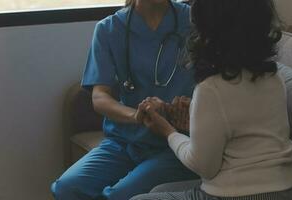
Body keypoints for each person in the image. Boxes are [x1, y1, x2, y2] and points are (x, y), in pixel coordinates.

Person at [130, 0, 292, 199]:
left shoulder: (212, 89)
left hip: (240, 193)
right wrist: (196, 115)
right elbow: (242, 127)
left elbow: (203, 167)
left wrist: (168, 131)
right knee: (157, 191)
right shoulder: (273, 77)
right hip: (288, 189)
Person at [51, 0, 199, 200]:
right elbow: (99, 97)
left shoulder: (195, 21)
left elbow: (219, 83)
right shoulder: (109, 29)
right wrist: (137, 116)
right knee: (67, 188)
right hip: (124, 141)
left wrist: (191, 107)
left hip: (173, 144)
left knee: (119, 196)